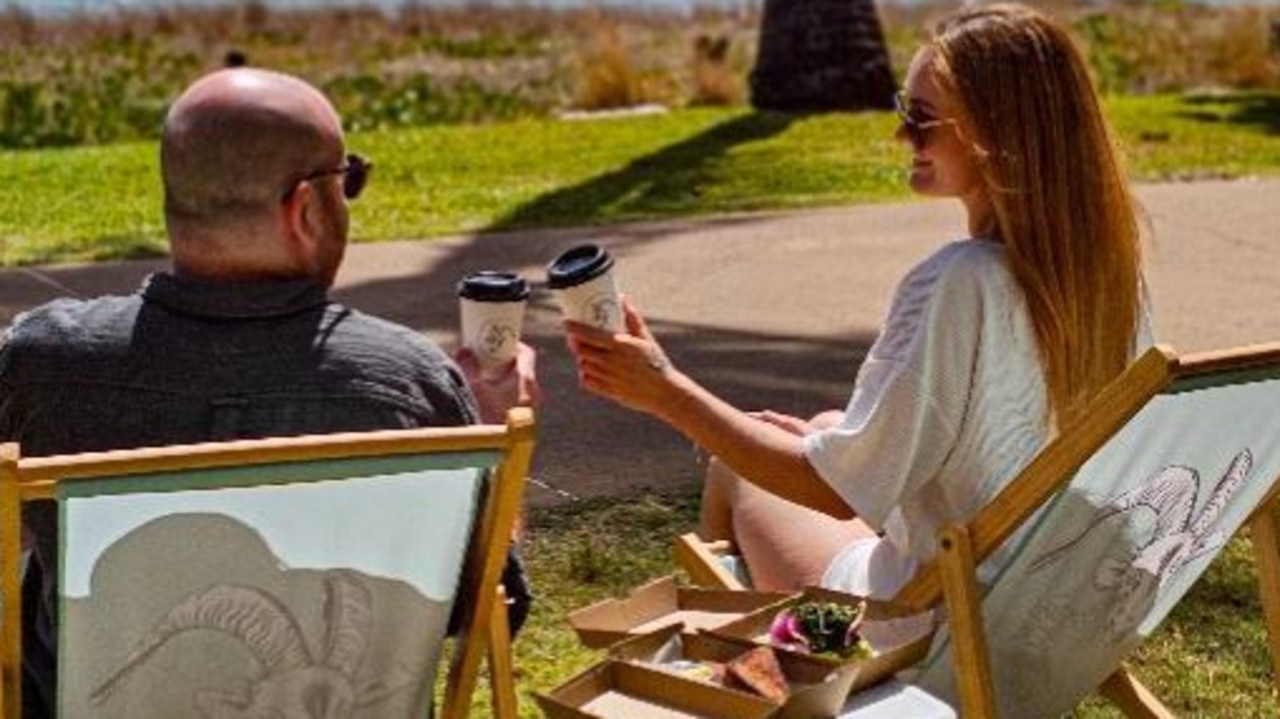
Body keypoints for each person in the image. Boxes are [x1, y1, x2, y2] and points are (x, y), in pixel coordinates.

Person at [566, 2, 1149, 646]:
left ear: (995, 137)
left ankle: (749, 668)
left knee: (739, 468)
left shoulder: (960, 284)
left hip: (931, 633)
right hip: (1060, 618)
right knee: (820, 428)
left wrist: (666, 391)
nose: (902, 137)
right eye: (905, 111)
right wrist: (832, 446)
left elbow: (828, 493)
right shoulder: (1111, 279)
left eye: (922, 120)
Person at [0, 68, 537, 717]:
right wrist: (492, 426)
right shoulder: (411, 385)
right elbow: (487, 607)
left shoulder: (39, 362)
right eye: (349, 181)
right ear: (305, 208)